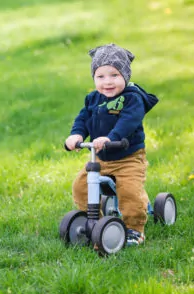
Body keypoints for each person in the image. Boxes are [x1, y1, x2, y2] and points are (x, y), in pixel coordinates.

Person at [65, 43, 159, 246]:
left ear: (125, 75)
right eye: (101, 76)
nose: (107, 82)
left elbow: (129, 121)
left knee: (129, 192)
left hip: (128, 158)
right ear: (94, 78)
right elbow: (83, 119)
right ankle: (94, 223)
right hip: (100, 158)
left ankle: (135, 229)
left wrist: (111, 137)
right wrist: (76, 135)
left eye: (114, 75)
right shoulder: (93, 98)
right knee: (81, 187)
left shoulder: (133, 99)